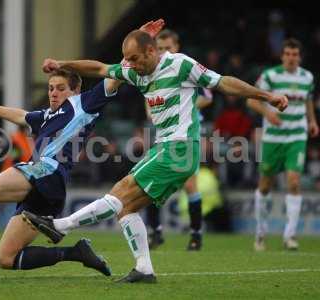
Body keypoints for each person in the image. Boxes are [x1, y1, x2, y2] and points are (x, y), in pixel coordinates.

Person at [22, 27, 288, 283]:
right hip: (166, 148)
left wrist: (266, 96)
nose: (131, 65)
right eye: (127, 59)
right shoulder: (136, 71)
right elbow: (100, 68)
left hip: (180, 147)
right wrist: (61, 63)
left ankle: (62, 226)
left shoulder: (180, 65)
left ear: (151, 52)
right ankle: (144, 269)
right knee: (126, 208)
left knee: (121, 189)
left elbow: (224, 83)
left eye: (135, 58)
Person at [0, 69, 121, 276]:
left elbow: (114, 77)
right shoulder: (47, 116)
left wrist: (135, 48)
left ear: (76, 90)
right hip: (51, 188)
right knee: (6, 258)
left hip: (46, 171)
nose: (53, 93)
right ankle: (76, 253)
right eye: (51, 88)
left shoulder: (84, 103)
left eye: (60, 89)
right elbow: (20, 115)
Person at [247, 38, 319, 251]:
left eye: (294, 54)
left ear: (300, 57)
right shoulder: (270, 76)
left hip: (297, 136)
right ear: (282, 56)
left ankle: (290, 236)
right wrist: (268, 113)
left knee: (294, 182)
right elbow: (251, 100)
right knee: (265, 184)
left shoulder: (307, 77)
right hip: (273, 139)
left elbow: (307, 100)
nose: (291, 58)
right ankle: (260, 233)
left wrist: (312, 121)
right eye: (287, 54)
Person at [145, 29, 213, 250]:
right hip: (163, 135)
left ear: (177, 48)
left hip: (187, 134)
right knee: (153, 183)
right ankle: (156, 231)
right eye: (161, 48)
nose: (164, 52)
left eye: (168, 48)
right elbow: (149, 108)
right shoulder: (152, 74)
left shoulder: (186, 69)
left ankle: (196, 234)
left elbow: (208, 97)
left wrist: (183, 105)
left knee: (190, 184)